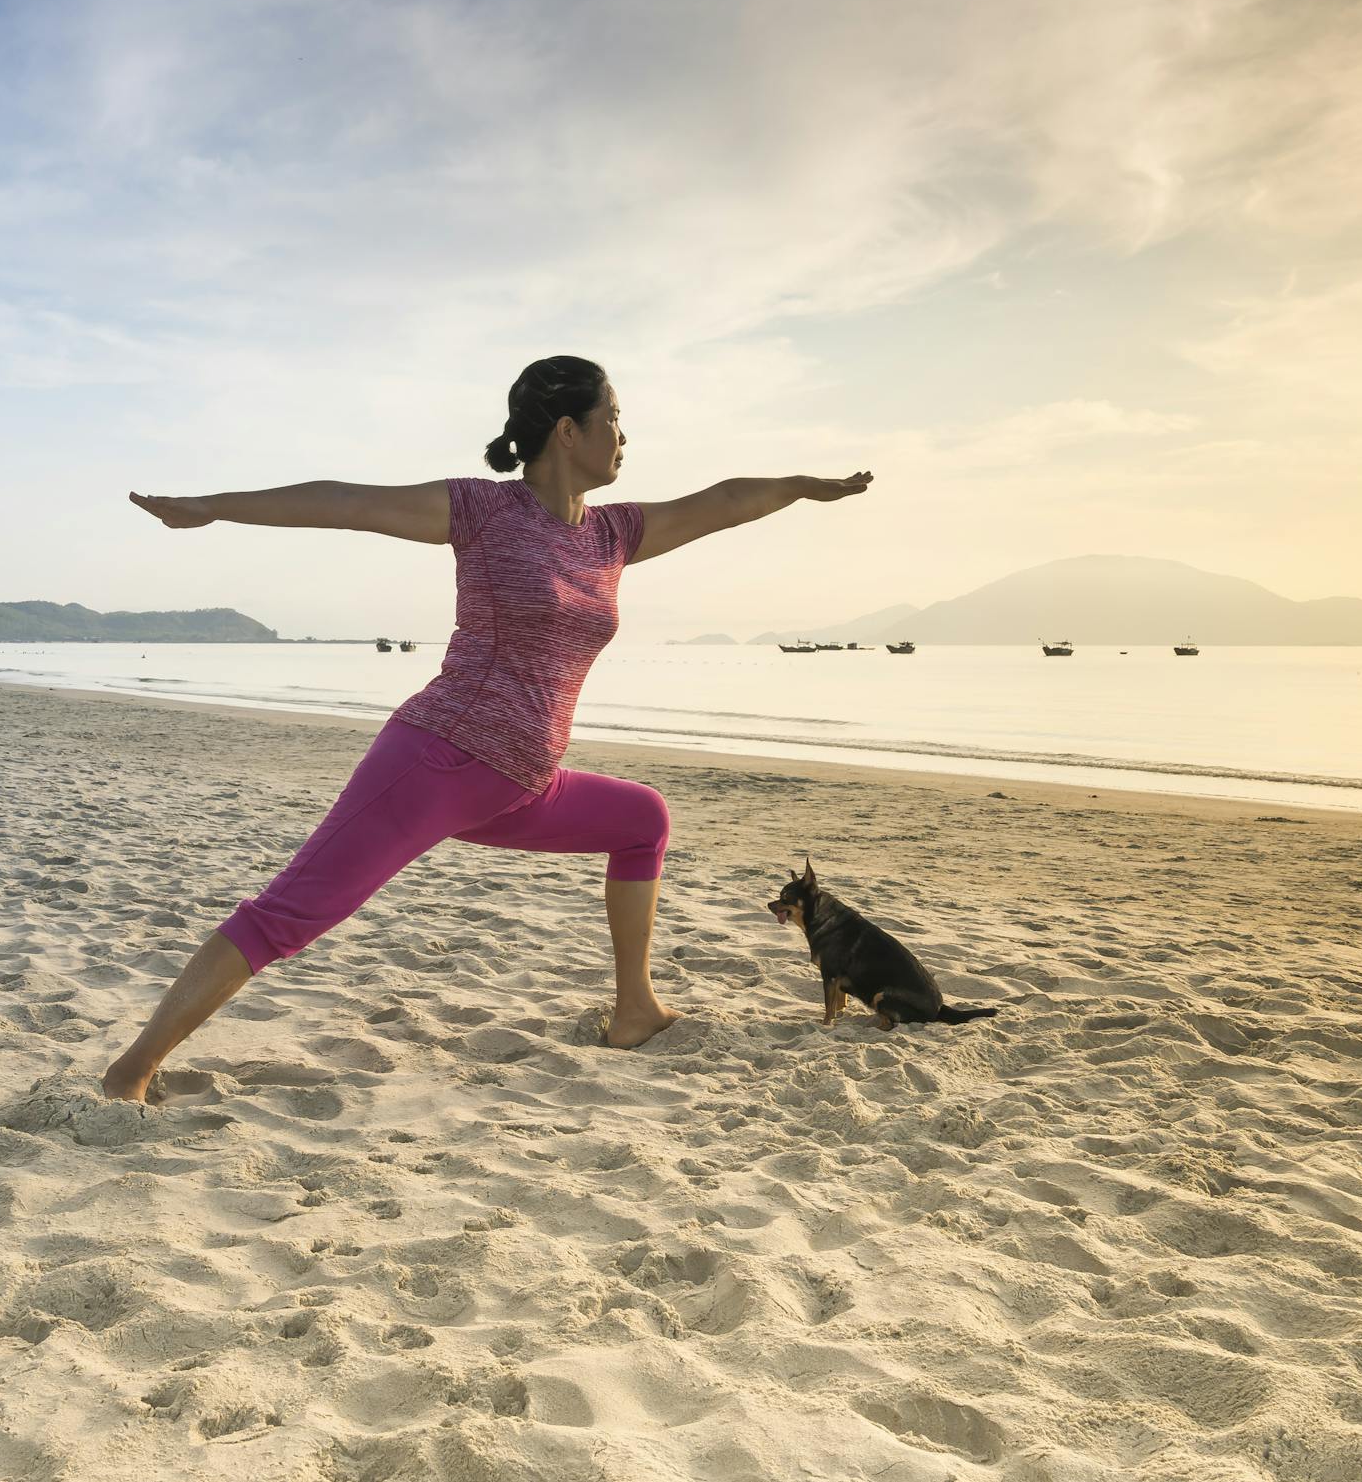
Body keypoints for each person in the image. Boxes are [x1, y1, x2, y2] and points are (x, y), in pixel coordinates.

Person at [98, 356, 871, 1104]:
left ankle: (634, 1010)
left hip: (522, 786)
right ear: (568, 430)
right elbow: (343, 501)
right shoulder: (481, 510)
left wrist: (803, 487)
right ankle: (131, 1070)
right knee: (288, 916)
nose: (624, 435)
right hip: (437, 760)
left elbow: (727, 499)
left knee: (643, 819)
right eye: (613, 418)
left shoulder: (614, 535)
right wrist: (212, 504)